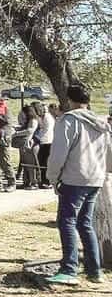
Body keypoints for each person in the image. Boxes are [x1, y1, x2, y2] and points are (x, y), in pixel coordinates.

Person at [45, 83, 111, 285]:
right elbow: (109, 153)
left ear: (69, 100)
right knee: (85, 223)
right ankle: (94, 270)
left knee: (66, 221)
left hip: (74, 178)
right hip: (95, 178)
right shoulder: (101, 123)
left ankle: (69, 269)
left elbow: (58, 154)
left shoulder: (68, 121)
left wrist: (53, 177)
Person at [12, 105, 40, 189]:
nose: (22, 114)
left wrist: (16, 134)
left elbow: (30, 130)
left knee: (31, 165)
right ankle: (26, 182)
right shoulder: (27, 120)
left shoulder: (33, 120)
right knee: (25, 164)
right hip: (24, 145)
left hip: (30, 145)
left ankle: (34, 183)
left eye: (23, 112)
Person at [34, 102, 56, 188]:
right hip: (44, 141)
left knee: (45, 163)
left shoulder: (47, 117)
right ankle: (43, 180)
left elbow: (45, 130)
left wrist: (37, 138)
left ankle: (47, 181)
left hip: (47, 142)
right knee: (41, 162)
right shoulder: (44, 117)